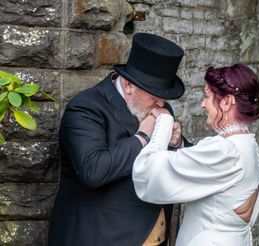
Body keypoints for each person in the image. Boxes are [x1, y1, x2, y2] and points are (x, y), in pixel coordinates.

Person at [48, 32, 190, 246]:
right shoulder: (85, 107)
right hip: (100, 237)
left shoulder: (158, 107)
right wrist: (142, 137)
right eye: (155, 94)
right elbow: (92, 170)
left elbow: (176, 167)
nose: (161, 103)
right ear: (129, 86)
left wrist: (177, 143)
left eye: (164, 96)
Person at [132, 63, 259, 246]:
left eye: (207, 96)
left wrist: (163, 121)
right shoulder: (251, 147)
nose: (203, 104)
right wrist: (178, 145)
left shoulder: (226, 151)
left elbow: (149, 171)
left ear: (226, 102)